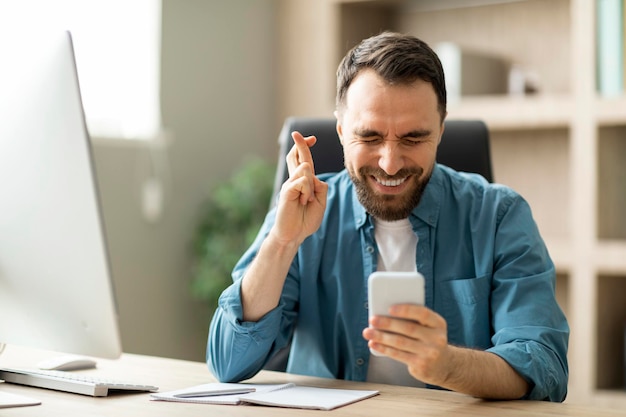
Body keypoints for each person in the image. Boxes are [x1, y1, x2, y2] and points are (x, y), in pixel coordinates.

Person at [207, 31, 569, 402]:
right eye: (370, 137)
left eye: (413, 138)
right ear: (342, 131)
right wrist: (282, 243)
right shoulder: (299, 212)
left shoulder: (499, 217)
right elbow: (227, 362)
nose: (390, 162)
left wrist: (447, 364)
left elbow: (544, 366)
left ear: (441, 130)